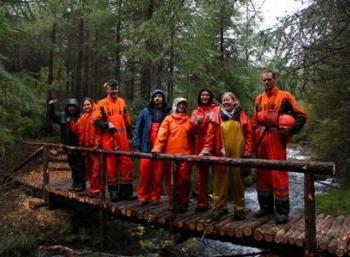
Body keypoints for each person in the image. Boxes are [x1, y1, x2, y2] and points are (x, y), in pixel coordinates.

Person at [252, 70, 307, 224]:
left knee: (278, 173)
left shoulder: (285, 96)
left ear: (275, 80)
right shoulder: (258, 99)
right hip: (260, 137)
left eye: (269, 79)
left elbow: (302, 116)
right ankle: (265, 208)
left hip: (276, 137)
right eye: (264, 80)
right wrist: (251, 144)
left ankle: (282, 211)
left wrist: (289, 131)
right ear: (262, 81)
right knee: (262, 172)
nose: (267, 82)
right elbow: (254, 122)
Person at [203, 92, 254, 220]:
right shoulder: (216, 115)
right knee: (219, 180)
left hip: (239, 151)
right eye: (224, 100)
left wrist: (248, 150)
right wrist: (206, 149)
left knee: (238, 181)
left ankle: (239, 208)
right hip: (221, 151)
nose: (226, 102)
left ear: (234, 101)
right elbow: (210, 135)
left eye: (228, 100)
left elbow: (249, 134)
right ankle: (218, 208)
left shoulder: (242, 115)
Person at [151, 97, 196, 212]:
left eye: (184, 105)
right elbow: (162, 135)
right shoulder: (168, 119)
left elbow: (195, 133)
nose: (182, 106)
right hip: (170, 155)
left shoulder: (190, 119)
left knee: (184, 180)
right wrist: (157, 148)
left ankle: (184, 202)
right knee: (171, 180)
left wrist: (196, 124)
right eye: (179, 104)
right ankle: (172, 203)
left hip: (186, 155)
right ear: (175, 105)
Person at [93, 79, 133, 202]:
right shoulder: (101, 104)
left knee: (126, 164)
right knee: (111, 165)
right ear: (107, 89)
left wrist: (130, 137)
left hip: (123, 139)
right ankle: (113, 192)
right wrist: (106, 125)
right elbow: (95, 121)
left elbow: (128, 122)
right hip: (109, 138)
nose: (114, 90)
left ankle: (126, 192)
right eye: (112, 88)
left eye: (116, 88)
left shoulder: (122, 102)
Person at [132, 89, 170, 205]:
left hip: (161, 148)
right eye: (155, 96)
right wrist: (136, 144)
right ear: (152, 99)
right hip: (146, 147)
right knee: (145, 174)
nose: (157, 98)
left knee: (158, 175)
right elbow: (138, 129)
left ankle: (155, 196)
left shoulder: (167, 113)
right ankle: (143, 196)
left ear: (163, 99)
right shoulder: (145, 111)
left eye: (160, 96)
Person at [191, 89, 221, 211]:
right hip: (200, 146)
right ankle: (202, 203)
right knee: (201, 176)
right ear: (200, 97)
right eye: (202, 94)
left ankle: (218, 204)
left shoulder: (216, 109)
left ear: (210, 96)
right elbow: (191, 129)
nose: (205, 97)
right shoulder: (195, 112)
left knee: (217, 175)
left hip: (215, 145)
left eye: (207, 95)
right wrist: (196, 123)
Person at [48, 98, 86, 191]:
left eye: (73, 106)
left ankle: (81, 184)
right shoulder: (62, 116)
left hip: (78, 146)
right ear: (67, 107)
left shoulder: (81, 117)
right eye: (70, 106)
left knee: (79, 165)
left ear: (77, 107)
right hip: (68, 146)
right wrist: (51, 106)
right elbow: (52, 116)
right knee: (73, 165)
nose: (71, 108)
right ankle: (75, 183)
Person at [68, 97, 101, 197]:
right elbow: (77, 130)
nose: (86, 106)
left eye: (88, 104)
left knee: (96, 170)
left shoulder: (96, 115)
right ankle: (92, 189)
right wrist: (70, 123)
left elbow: (99, 132)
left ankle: (95, 190)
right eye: (85, 105)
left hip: (94, 149)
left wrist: (97, 144)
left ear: (92, 105)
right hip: (85, 149)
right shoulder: (82, 118)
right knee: (89, 170)